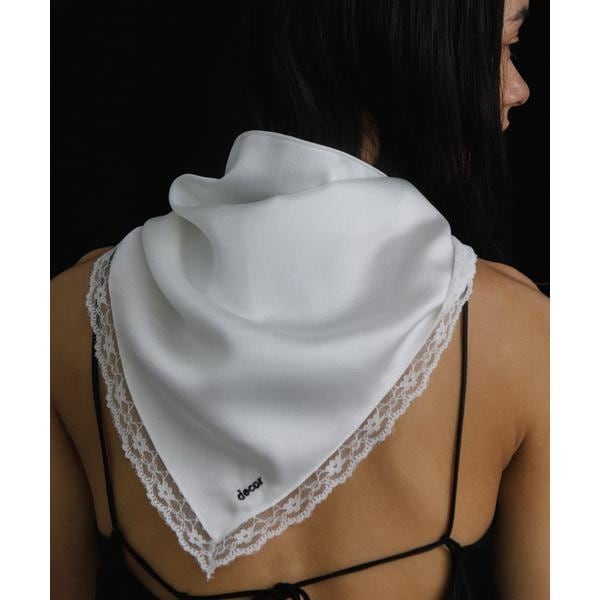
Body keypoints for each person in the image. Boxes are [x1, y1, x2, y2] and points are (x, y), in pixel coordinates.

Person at [51, 1, 548, 599]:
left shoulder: (67, 318)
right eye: (505, 45)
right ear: (405, 42)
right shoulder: (520, 336)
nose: (518, 88)